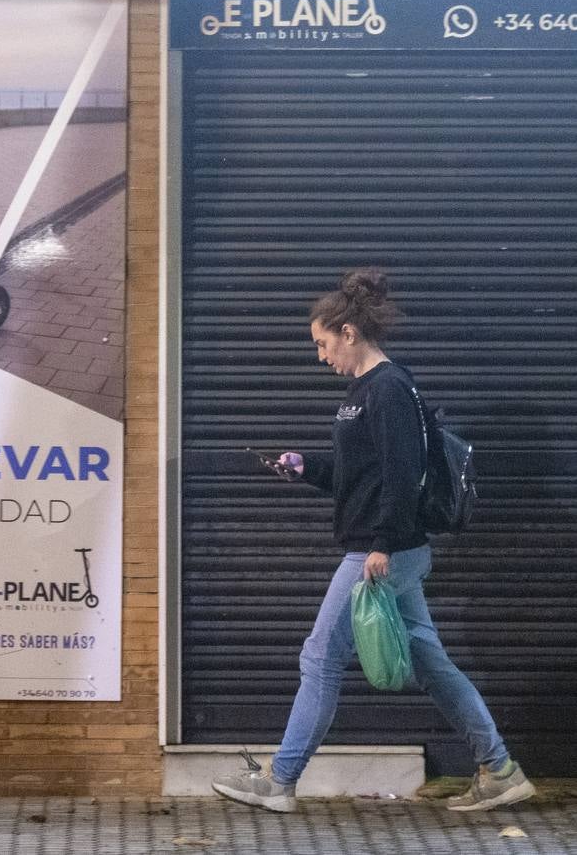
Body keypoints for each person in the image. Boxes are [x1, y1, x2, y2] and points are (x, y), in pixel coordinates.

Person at [212, 268, 534, 814]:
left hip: (381, 552)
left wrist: (383, 543)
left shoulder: (388, 388)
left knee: (320, 656)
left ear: (348, 332)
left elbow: (403, 472)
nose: (320, 356)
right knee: (430, 662)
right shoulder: (364, 391)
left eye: (322, 343)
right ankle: (500, 769)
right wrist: (306, 466)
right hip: (391, 549)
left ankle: (280, 781)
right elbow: (361, 472)